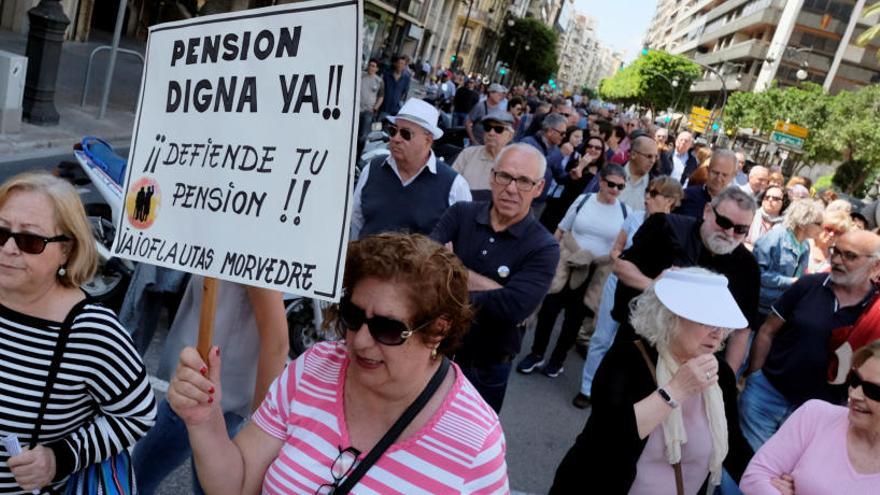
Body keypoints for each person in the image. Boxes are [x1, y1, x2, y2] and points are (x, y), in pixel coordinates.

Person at [167, 233, 510, 494]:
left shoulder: (475, 442)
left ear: (437, 331)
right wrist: (206, 422)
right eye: (352, 315)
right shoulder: (315, 369)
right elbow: (237, 484)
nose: (359, 340)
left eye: (387, 328)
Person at [0, 173, 156, 493]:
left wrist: (60, 458)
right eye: (1, 232)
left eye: (30, 240)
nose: (9, 248)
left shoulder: (90, 332)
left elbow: (137, 415)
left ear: (67, 250)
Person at [551, 268, 753, 494]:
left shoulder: (719, 374)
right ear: (670, 317)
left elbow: (733, 445)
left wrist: (769, 481)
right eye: (707, 320)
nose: (718, 333)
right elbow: (607, 438)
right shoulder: (627, 358)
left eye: (722, 323)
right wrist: (675, 391)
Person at [431, 143, 560, 412]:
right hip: (432, 352)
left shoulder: (544, 246)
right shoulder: (461, 213)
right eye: (505, 176)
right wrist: (496, 289)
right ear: (492, 176)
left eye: (524, 181)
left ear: (539, 188)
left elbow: (514, 307)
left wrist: (455, 271)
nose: (511, 188)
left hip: (485, 369)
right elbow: (424, 267)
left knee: (464, 447)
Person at [133, 276, 288, 495]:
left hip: (206, 391)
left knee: (133, 478)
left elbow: (277, 341)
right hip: (207, 387)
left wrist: (262, 428)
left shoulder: (254, 245)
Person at [740, 230, 880, 450]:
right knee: (743, 465)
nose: (836, 260)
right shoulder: (809, 284)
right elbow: (767, 330)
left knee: (785, 475)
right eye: (835, 251)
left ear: (876, 266)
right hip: (766, 396)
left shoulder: (875, 312)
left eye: (849, 256)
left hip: (817, 413)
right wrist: (756, 375)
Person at [612, 187, 760, 372]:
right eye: (723, 222)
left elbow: (742, 330)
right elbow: (621, 266)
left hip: (695, 366)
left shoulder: (748, 267)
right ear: (707, 211)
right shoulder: (666, 228)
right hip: (642, 347)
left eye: (740, 229)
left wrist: (726, 379)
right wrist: (655, 287)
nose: (729, 233)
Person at [573, 176, 684, 408]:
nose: (647, 197)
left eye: (654, 194)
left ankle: (609, 393)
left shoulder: (674, 229)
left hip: (646, 295)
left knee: (626, 345)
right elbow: (617, 249)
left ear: (671, 200)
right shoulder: (633, 218)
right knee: (602, 337)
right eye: (648, 191)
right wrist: (622, 262)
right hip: (618, 283)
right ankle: (587, 388)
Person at [518, 164, 630, 378]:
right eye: (612, 184)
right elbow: (561, 228)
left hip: (595, 271)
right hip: (567, 262)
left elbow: (623, 245)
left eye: (621, 186)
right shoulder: (584, 200)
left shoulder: (625, 211)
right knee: (549, 308)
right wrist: (546, 257)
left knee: (575, 318)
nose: (615, 190)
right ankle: (536, 353)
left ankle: (558, 360)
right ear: (601, 181)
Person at [740, 340, 880, 493]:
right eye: (855, 380)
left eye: (873, 390)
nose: (855, 394)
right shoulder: (816, 415)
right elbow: (755, 477)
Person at [350, 98, 471, 240]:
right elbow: (355, 222)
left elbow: (464, 238)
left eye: (405, 134)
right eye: (393, 131)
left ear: (428, 140)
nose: (395, 138)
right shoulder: (372, 169)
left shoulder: (454, 186)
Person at [753, 200, 825, 319]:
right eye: (818, 223)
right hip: (759, 306)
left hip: (781, 308)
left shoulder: (805, 245)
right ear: (803, 223)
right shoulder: (774, 238)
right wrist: (791, 281)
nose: (822, 228)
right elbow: (756, 275)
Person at [540, 134, 605, 232]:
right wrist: (581, 166)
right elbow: (564, 182)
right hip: (557, 208)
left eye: (597, 148)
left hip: (578, 214)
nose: (593, 149)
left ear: (602, 152)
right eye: (590, 146)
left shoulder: (603, 172)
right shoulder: (574, 162)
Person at [452, 110, 515, 201]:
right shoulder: (468, 154)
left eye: (498, 129)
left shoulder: (514, 162)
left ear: (510, 136)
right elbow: (450, 183)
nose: (491, 133)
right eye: (487, 128)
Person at [520, 113, 567, 219]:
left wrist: (573, 174)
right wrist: (561, 154)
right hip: (522, 199)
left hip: (539, 204)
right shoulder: (528, 142)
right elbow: (536, 166)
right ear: (550, 131)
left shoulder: (555, 149)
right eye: (562, 133)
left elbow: (560, 177)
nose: (564, 137)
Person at [675, 149, 738, 219]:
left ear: (733, 176)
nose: (718, 179)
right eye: (715, 172)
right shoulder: (686, 196)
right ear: (708, 170)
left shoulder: (735, 207)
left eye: (724, 175)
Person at [807, 209, 852, 274]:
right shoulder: (804, 243)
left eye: (837, 232)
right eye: (829, 229)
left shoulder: (834, 260)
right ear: (821, 225)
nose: (831, 234)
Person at [745, 186, 789, 250]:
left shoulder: (786, 225)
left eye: (775, 198)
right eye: (767, 197)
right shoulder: (750, 215)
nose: (770, 200)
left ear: (784, 202)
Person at [358, 58, 384, 153]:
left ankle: (357, 155)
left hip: (368, 111)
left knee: (363, 136)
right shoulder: (360, 75)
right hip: (356, 109)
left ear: (377, 69)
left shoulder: (379, 81)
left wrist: (375, 108)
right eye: (369, 65)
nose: (370, 67)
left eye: (373, 66)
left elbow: (381, 97)